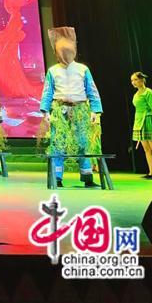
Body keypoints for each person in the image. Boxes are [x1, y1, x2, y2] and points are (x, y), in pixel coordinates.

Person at [39, 27, 102, 188]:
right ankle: (57, 177)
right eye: (62, 51)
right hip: (60, 111)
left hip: (80, 109)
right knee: (58, 142)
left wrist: (95, 110)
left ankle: (87, 176)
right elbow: (47, 92)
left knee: (83, 142)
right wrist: (45, 111)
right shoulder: (53, 71)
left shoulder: (82, 69)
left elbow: (92, 90)